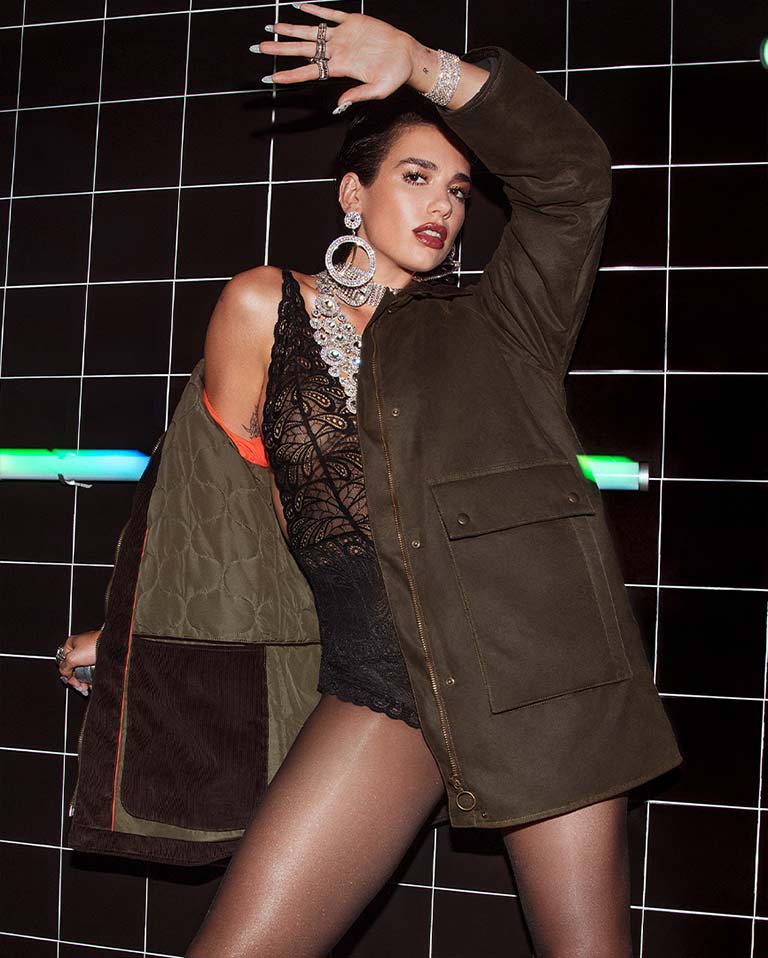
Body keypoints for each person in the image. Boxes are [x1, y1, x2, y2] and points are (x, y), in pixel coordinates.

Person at [57, 5, 683, 956]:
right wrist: (150, 639)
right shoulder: (266, 305)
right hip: (376, 676)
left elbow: (572, 179)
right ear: (354, 192)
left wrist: (423, 65)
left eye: (460, 189)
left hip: (536, 679)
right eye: (416, 176)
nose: (444, 206)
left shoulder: (500, 327)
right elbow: (222, 512)